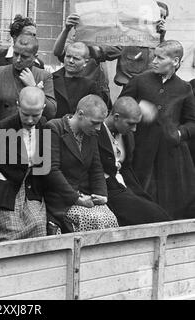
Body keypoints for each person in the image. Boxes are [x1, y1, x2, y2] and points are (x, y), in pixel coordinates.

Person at [120, 40, 195, 220]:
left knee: (173, 204)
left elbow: (192, 122)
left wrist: (179, 134)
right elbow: (119, 107)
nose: (154, 61)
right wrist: (137, 108)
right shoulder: (139, 81)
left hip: (172, 158)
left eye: (160, 58)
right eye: (154, 57)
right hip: (141, 152)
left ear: (175, 62)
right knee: (142, 200)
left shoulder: (184, 88)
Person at [0, 87, 48, 243]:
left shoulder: (44, 126)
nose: (30, 120)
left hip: (31, 189)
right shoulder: (3, 127)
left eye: (35, 115)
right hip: (5, 190)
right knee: (11, 231)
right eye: (25, 114)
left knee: (38, 224)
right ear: (18, 106)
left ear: (43, 109)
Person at [44, 95, 119, 233]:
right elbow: (51, 171)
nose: (98, 128)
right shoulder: (54, 128)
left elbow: (96, 167)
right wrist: (77, 199)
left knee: (110, 218)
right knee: (94, 219)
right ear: (80, 114)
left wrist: (102, 195)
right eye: (94, 123)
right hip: (61, 199)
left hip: (85, 196)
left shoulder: (90, 134)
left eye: (100, 124)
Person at [99, 96, 172, 226]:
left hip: (127, 186)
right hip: (108, 191)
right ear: (116, 117)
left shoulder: (127, 136)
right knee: (155, 217)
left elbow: (127, 168)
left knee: (160, 213)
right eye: (131, 124)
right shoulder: (96, 134)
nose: (134, 129)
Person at [61, 2, 169, 87]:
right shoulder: (126, 38)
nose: (161, 20)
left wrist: (161, 37)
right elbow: (101, 53)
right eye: (158, 15)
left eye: (164, 17)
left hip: (154, 88)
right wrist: (88, 37)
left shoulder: (165, 44)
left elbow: (168, 64)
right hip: (130, 89)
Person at [0, 34, 56, 126]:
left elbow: (51, 112)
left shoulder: (44, 76)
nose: (18, 60)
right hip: (4, 132)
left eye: (24, 56)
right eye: (16, 54)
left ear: (35, 57)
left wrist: (33, 87)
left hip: (33, 132)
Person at [0, 14, 44, 79]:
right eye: (28, 34)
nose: (32, 38)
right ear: (15, 37)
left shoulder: (38, 63)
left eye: (34, 35)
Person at [53, 42, 101, 118]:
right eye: (68, 56)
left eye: (76, 58)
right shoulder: (50, 79)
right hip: (49, 127)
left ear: (85, 62)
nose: (71, 61)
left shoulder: (91, 86)